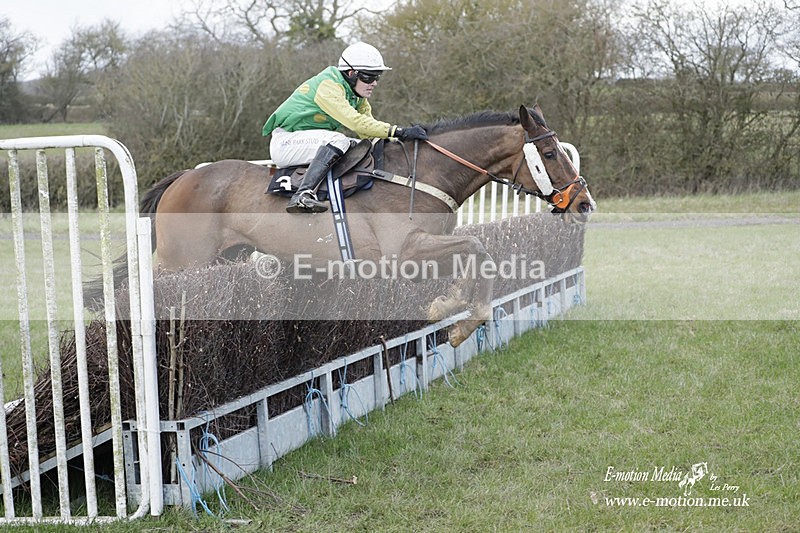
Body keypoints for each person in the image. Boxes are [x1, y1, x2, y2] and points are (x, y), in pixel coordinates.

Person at [262, 41, 429, 213]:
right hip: (286, 143)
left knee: (362, 146)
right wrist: (399, 131)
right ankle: (303, 194)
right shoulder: (328, 86)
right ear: (351, 73)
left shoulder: (358, 97)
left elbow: (366, 131)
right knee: (339, 140)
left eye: (377, 77)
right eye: (369, 77)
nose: (374, 83)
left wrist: (399, 139)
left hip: (308, 143)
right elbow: (355, 122)